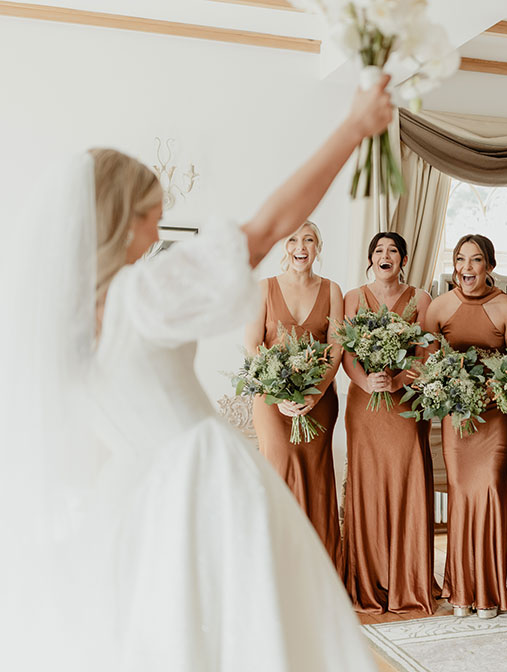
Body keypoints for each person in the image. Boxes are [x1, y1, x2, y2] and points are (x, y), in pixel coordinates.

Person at [0, 80, 393, 672]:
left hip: (133, 495)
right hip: (203, 480)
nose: (158, 236)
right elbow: (269, 225)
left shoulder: (58, 321)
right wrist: (353, 128)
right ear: (120, 218)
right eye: (153, 220)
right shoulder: (144, 293)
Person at [424, 234, 507, 619]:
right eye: (460, 260)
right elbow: (427, 366)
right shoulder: (438, 308)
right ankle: (461, 590)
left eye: (476, 260)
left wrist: (493, 385)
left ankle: (488, 592)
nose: (467, 268)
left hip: (498, 416)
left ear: (490, 267)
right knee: (462, 495)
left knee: (491, 494)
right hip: (459, 418)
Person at [340, 231, 439, 614]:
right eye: (379, 250)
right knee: (367, 484)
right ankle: (368, 580)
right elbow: (346, 352)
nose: (386, 255)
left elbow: (425, 352)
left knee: (405, 481)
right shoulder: (352, 298)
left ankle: (407, 581)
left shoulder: (422, 299)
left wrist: (398, 380)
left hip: (405, 406)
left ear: (403, 259)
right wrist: (366, 380)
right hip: (363, 406)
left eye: (393, 250)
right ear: (370, 259)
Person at [245, 220, 344, 567]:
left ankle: (317, 571)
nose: (301, 247)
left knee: (316, 478)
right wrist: (276, 388)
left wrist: (315, 394)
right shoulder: (264, 288)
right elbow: (252, 343)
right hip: (272, 401)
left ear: (318, 247)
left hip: (318, 401)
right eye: (293, 239)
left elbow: (336, 346)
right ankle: (275, 568)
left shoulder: (332, 290)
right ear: (284, 246)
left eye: (309, 240)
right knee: (278, 471)